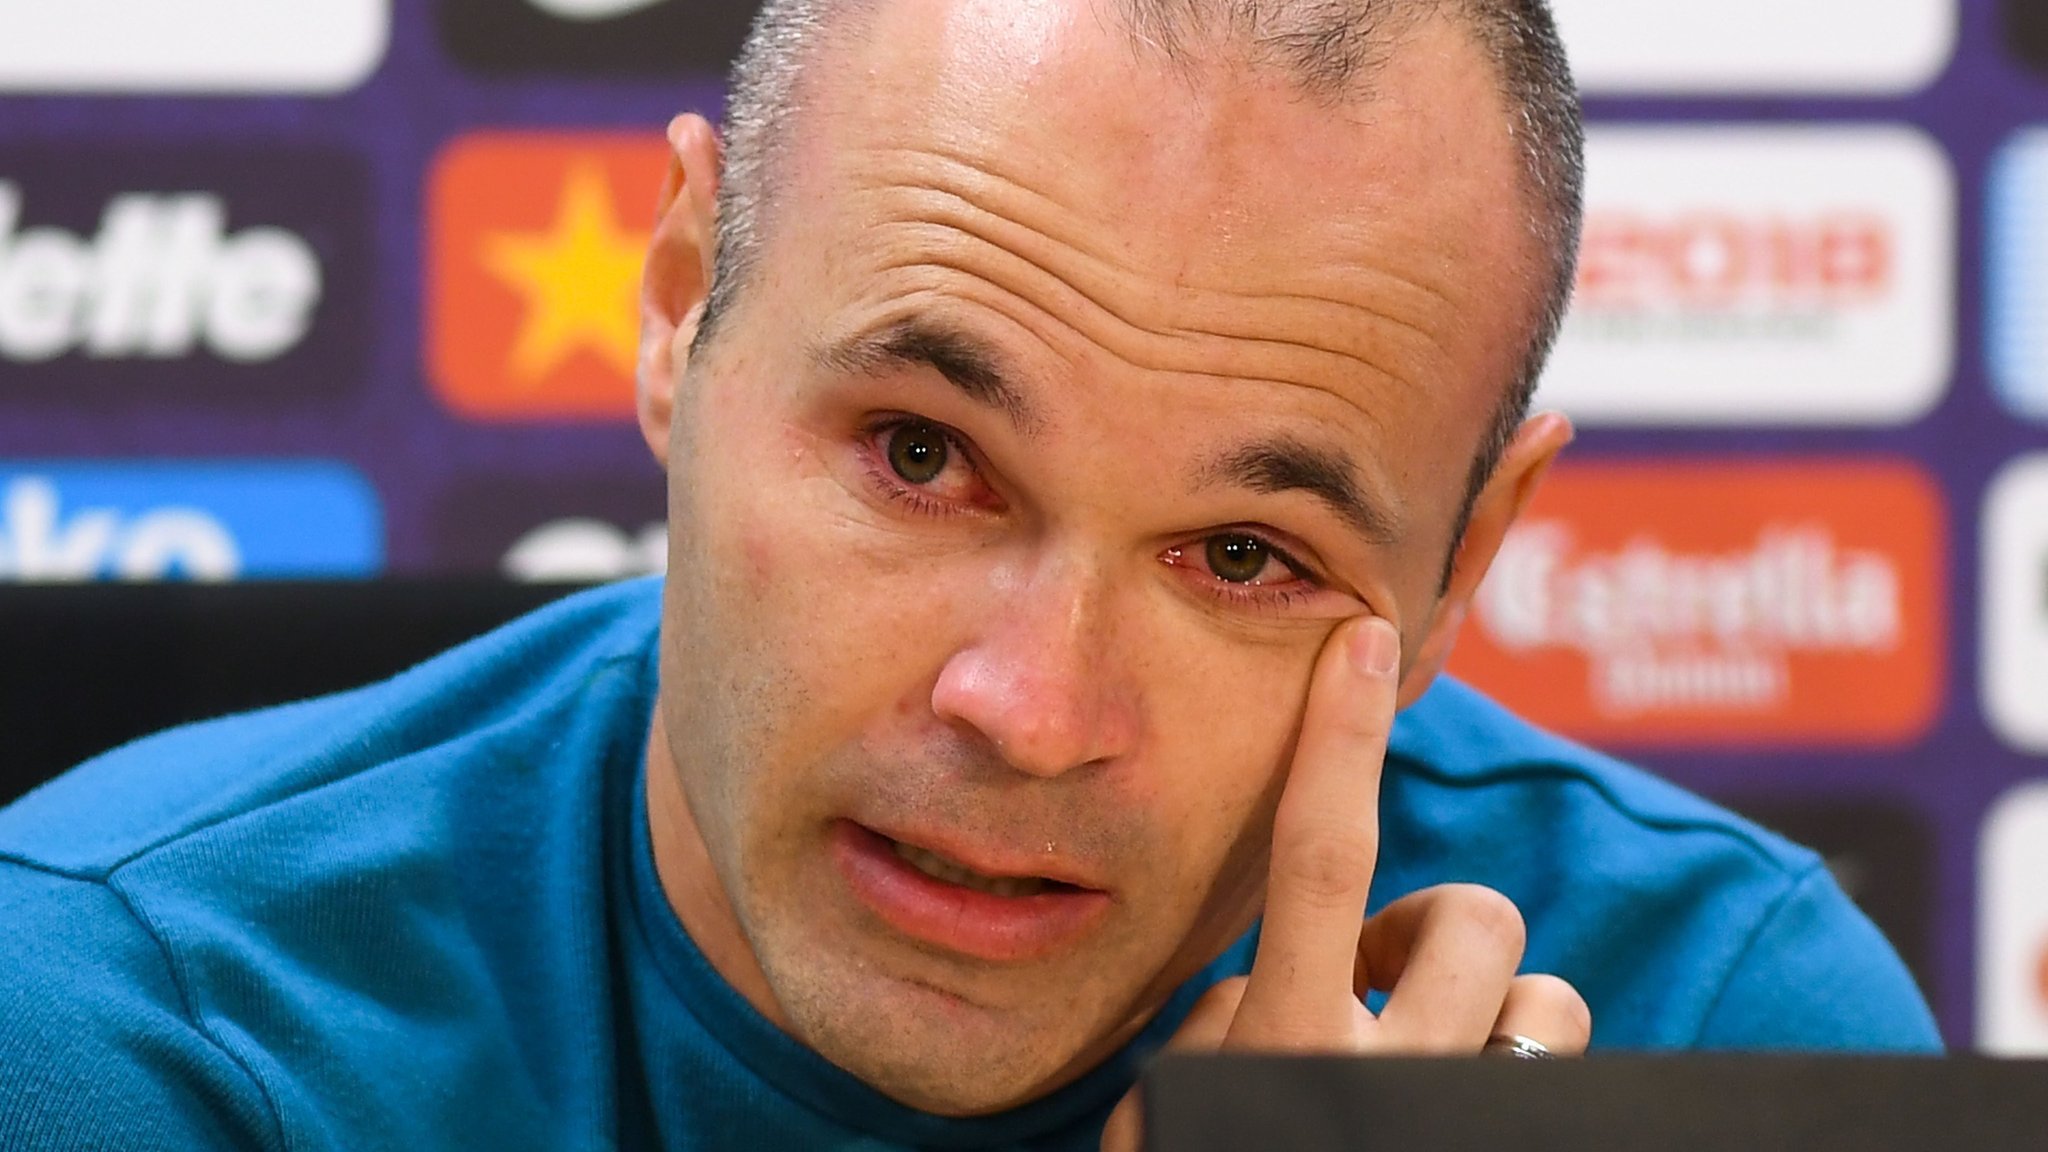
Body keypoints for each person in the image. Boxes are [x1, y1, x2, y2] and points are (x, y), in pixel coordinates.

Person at [0, 0, 1939, 1148]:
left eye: (1245, 556)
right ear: (677, 310)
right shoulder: (130, 1030)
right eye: (922, 456)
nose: (1030, 708)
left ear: (1459, 569)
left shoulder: (1717, 1030)